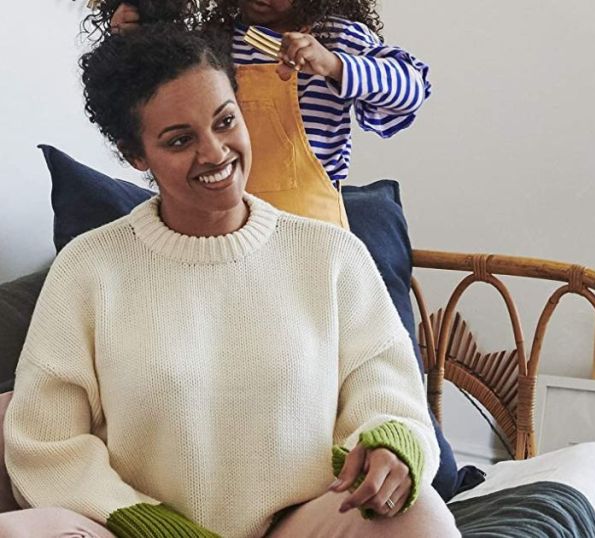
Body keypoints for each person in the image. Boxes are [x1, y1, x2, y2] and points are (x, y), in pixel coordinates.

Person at [0, 23, 458, 538]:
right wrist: (144, 522)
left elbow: (384, 382)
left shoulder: (330, 254)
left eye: (225, 121)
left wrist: (389, 440)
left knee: (421, 516)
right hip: (136, 531)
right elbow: (43, 441)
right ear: (136, 156)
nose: (215, 152)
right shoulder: (88, 270)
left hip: (299, 525)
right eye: (179, 140)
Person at [96, 0, 431, 229]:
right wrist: (137, 34)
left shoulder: (335, 37)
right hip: (222, 228)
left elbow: (412, 89)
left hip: (312, 228)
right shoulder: (212, 42)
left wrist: (334, 65)